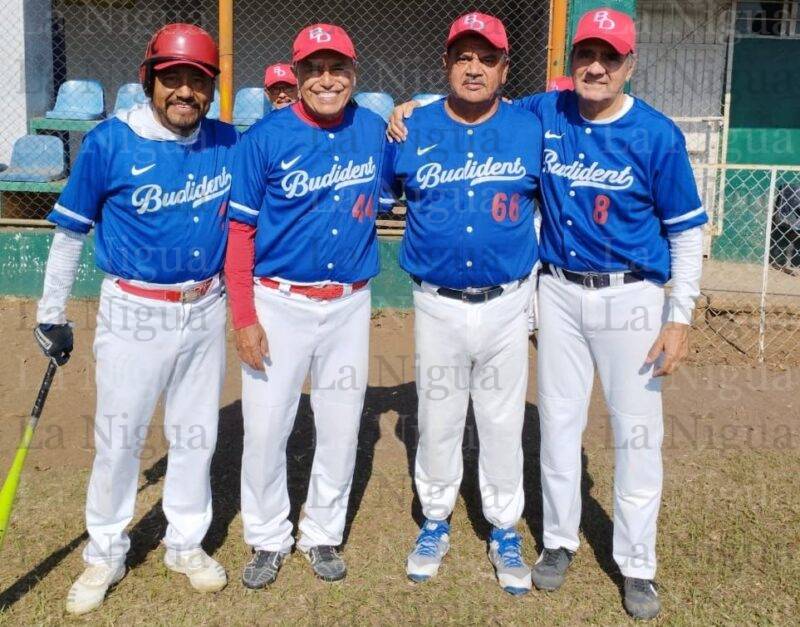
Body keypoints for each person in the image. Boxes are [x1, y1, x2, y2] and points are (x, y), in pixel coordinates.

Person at [388, 7, 707, 620]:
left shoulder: (656, 134)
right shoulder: (545, 113)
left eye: (609, 57)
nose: (595, 67)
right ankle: (558, 542)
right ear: (568, 68)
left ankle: (637, 565)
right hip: (557, 291)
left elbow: (687, 233)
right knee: (558, 424)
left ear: (628, 65)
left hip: (633, 295)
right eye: (585, 56)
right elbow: (467, 102)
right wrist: (406, 108)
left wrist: (679, 315)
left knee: (637, 433)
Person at [33, 23, 238, 615]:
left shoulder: (226, 141)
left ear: (210, 89)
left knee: (196, 434)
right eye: (172, 78)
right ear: (150, 80)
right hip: (134, 308)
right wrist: (51, 313)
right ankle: (104, 551)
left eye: (196, 81)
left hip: (205, 305)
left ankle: (184, 542)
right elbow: (71, 234)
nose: (184, 92)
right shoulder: (109, 142)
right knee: (119, 440)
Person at [382, 12, 542, 595]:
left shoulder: (532, 125)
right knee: (441, 416)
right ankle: (434, 519)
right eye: (462, 56)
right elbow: (381, 196)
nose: (474, 67)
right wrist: (402, 110)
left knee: (502, 420)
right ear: (447, 64)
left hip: (507, 299)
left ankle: (503, 528)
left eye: (487, 57)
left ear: (505, 67)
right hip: (436, 301)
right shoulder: (410, 128)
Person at [225, 23, 387, 587]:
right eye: (313, 69)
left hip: (348, 304)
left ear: (353, 74)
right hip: (278, 302)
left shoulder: (374, 130)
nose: (325, 79)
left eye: (336, 67)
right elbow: (239, 234)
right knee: (268, 427)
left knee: (341, 426)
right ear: (296, 77)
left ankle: (321, 532)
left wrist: (413, 108)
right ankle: (268, 537)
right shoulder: (265, 139)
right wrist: (243, 316)